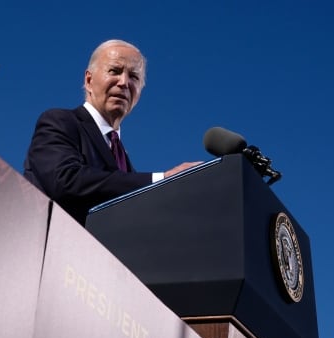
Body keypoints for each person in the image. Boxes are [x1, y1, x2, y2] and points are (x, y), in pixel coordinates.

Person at [23, 39, 201, 226]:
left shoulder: (124, 160)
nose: (124, 82)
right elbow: (65, 181)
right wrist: (161, 180)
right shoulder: (60, 122)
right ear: (89, 80)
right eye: (114, 71)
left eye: (134, 76)